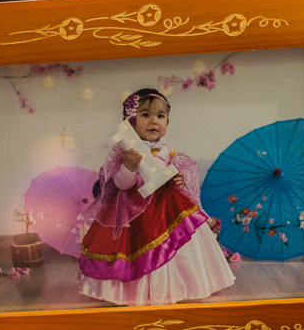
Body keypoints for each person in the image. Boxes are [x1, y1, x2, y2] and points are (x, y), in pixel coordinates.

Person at [74, 88, 235, 305]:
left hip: (167, 204)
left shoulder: (166, 148)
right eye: (145, 115)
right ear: (130, 121)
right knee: (137, 248)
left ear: (167, 122)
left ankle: (182, 284)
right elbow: (122, 184)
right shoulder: (126, 151)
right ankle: (135, 290)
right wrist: (129, 167)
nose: (154, 121)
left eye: (160, 116)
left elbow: (174, 170)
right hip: (134, 209)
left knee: (179, 243)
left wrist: (180, 178)